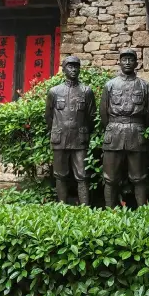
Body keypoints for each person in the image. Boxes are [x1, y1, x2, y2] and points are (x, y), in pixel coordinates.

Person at [100, 48, 149, 208]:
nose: (128, 62)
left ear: (137, 63)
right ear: (119, 62)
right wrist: (114, 126)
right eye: (124, 59)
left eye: (131, 59)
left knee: (139, 177)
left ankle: (142, 211)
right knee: (110, 177)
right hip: (114, 133)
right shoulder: (110, 85)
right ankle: (110, 211)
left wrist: (137, 125)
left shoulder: (145, 86)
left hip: (136, 133)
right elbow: (104, 113)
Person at [45, 56, 96, 204]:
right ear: (64, 69)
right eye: (70, 66)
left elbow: (91, 116)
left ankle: (85, 207)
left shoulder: (86, 91)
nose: (73, 70)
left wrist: (83, 130)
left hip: (79, 139)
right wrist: (57, 130)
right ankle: (62, 205)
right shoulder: (54, 92)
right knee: (60, 174)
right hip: (59, 138)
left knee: (83, 174)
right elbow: (49, 116)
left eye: (76, 67)